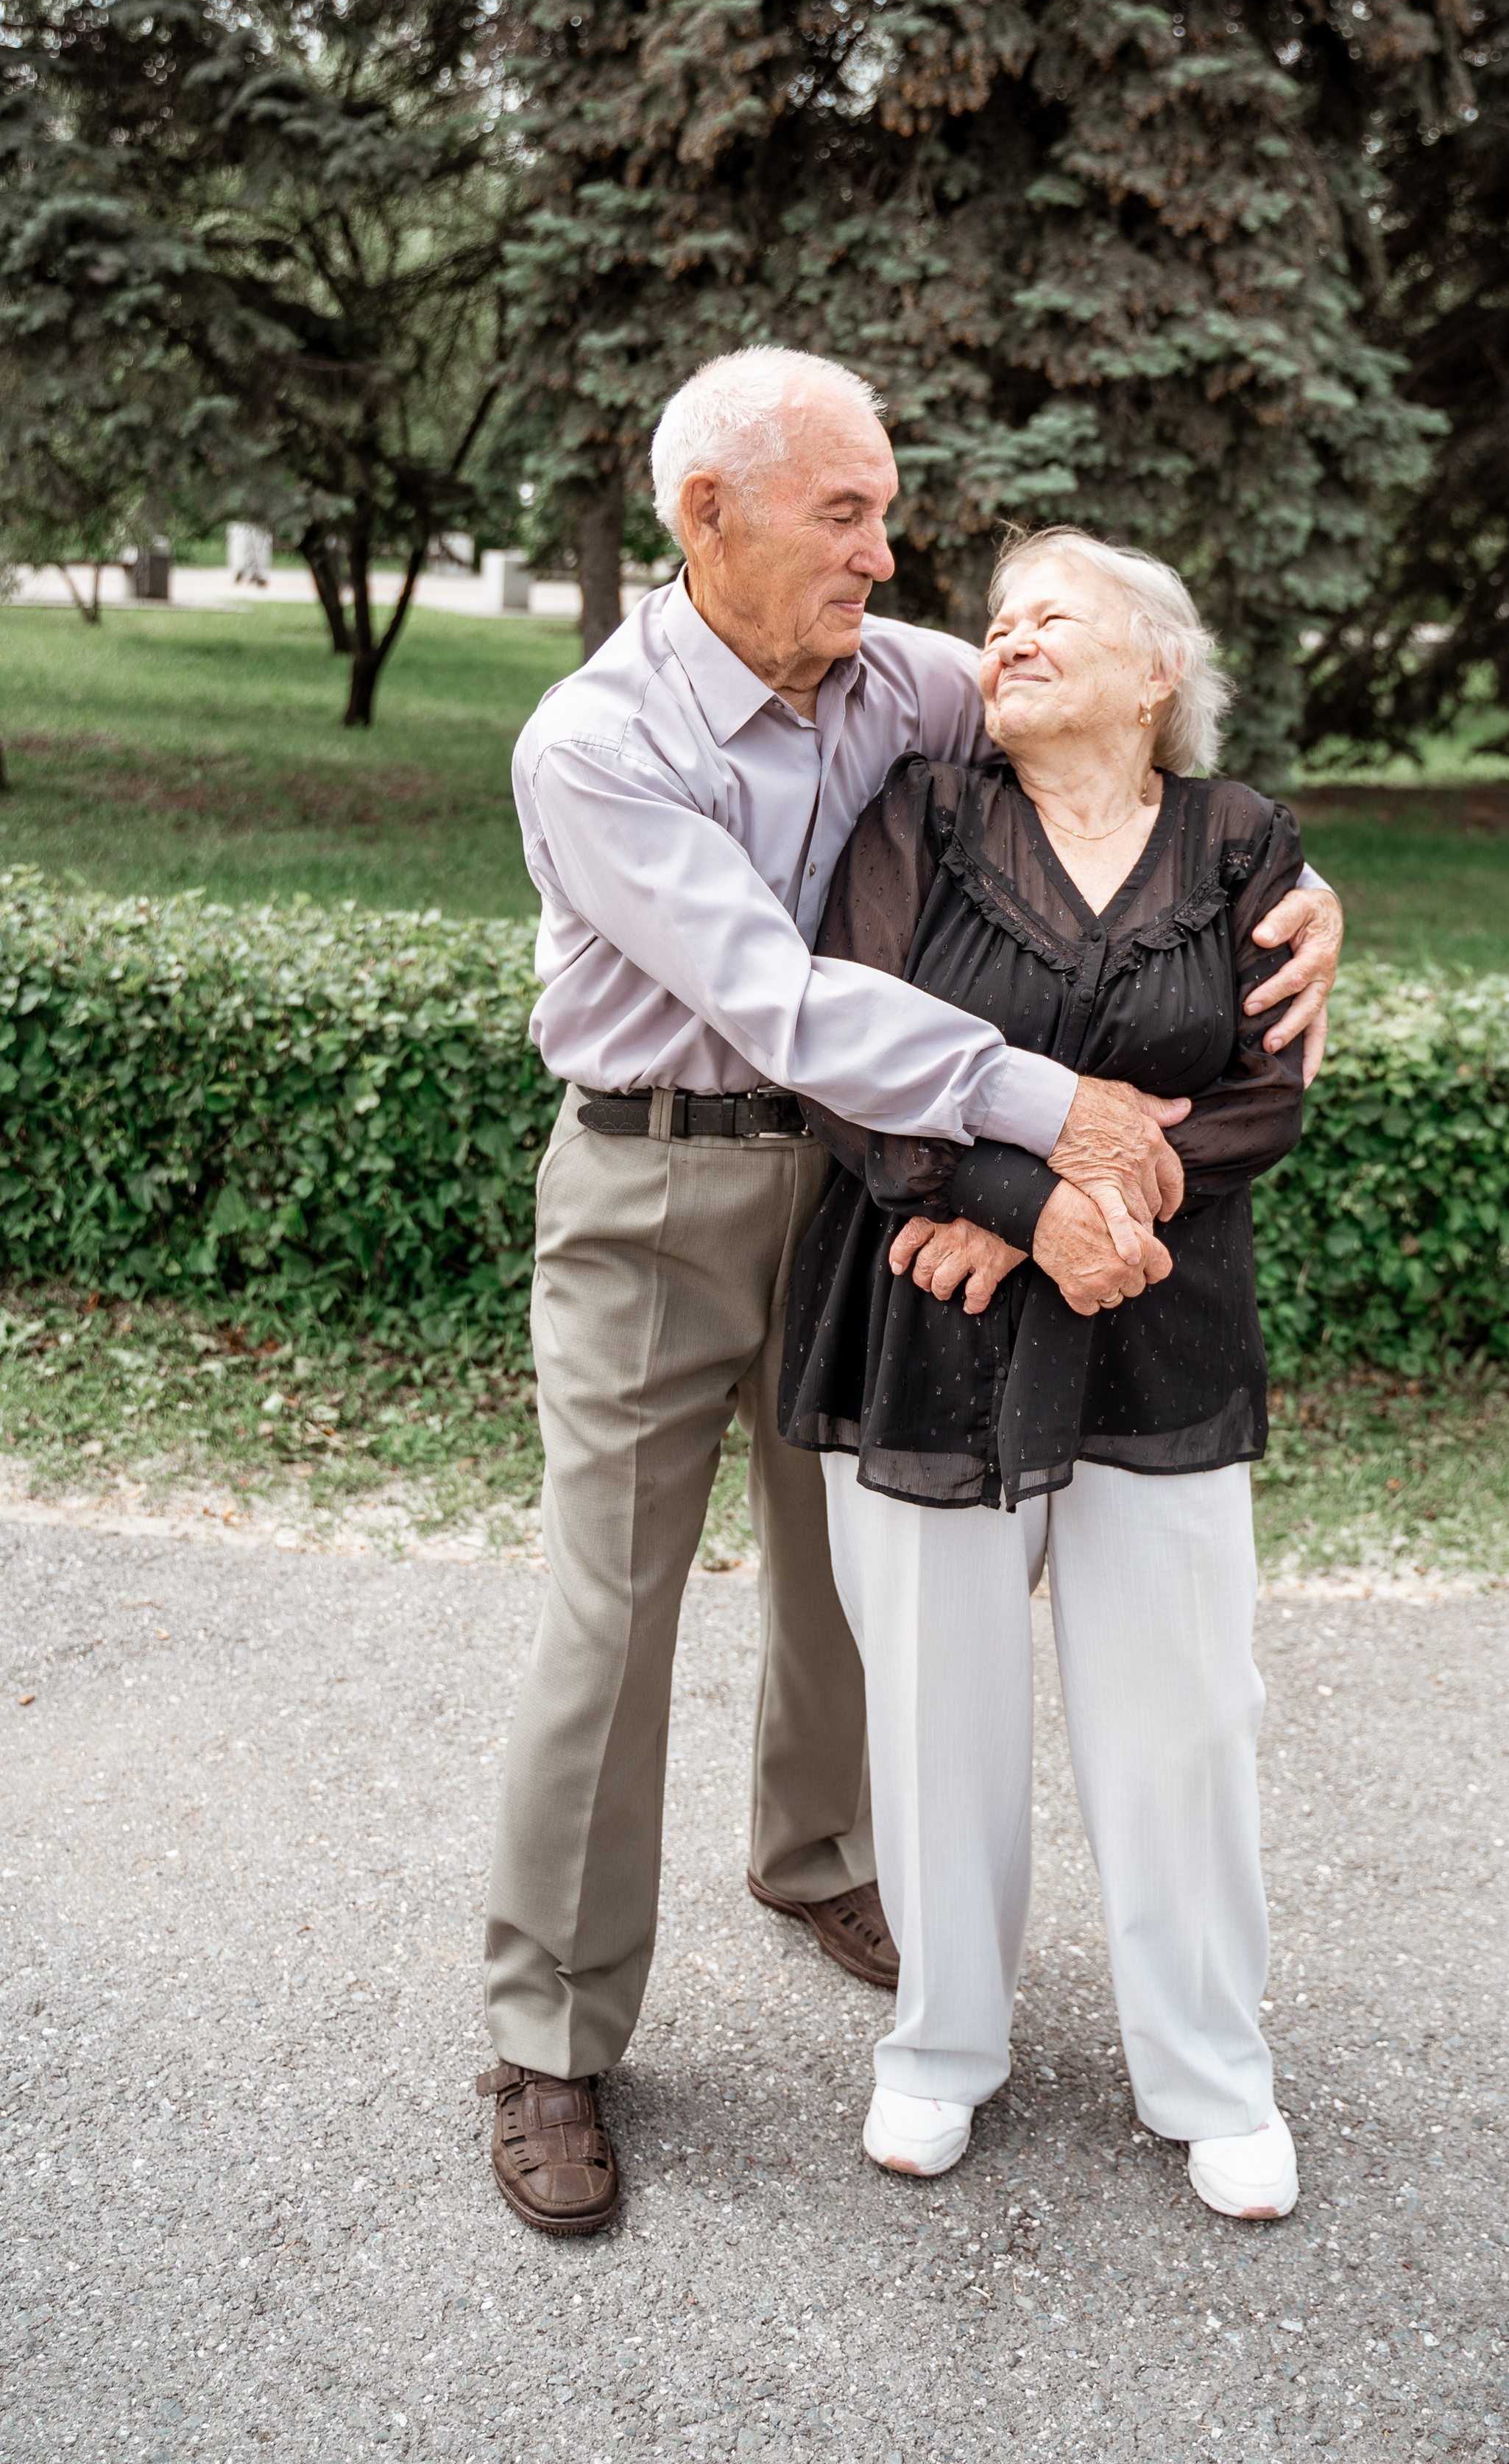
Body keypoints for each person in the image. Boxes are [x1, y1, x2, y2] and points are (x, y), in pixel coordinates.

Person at [478, 351, 1343, 2235]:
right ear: (706, 515)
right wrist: (1056, 1124)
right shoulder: (597, 739)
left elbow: (1131, 730)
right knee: (609, 1619)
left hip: (865, 1186)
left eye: (887, 507)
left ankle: (811, 1859)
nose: (889, 550)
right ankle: (550, 2035)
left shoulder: (906, 669)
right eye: (844, 512)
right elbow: (775, 1002)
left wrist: (1306, 899)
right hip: (659, 1172)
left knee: (845, 1580)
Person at [777, 527, 1310, 2220]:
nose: (1005, 641)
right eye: (994, 624)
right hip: (925, 1311)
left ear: (1157, 669)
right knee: (938, 1711)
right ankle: (938, 2051)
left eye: (1050, 618)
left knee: (1182, 1717)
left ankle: (1210, 2072)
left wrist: (1038, 1222)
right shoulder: (922, 820)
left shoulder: (1240, 842)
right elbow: (858, 1066)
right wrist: (1016, 1196)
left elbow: (1256, 1095)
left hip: (1156, 1313)